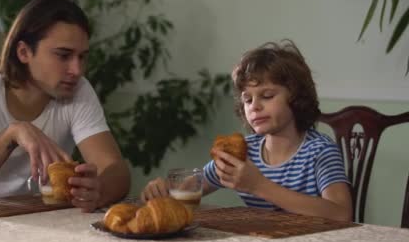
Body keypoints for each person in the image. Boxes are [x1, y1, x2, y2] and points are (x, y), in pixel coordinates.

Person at [0, 0, 131, 212]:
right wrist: (12, 134)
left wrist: (98, 189)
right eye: (63, 55)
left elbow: (116, 171)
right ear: (24, 52)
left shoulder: (79, 90)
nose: (77, 70)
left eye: (82, 57)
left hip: (42, 220)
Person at [141, 40, 353, 221]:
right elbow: (190, 189)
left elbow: (341, 214)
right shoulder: (243, 151)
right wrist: (163, 192)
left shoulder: (320, 151)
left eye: (267, 96)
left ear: (297, 98)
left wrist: (259, 185)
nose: (255, 106)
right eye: (247, 99)